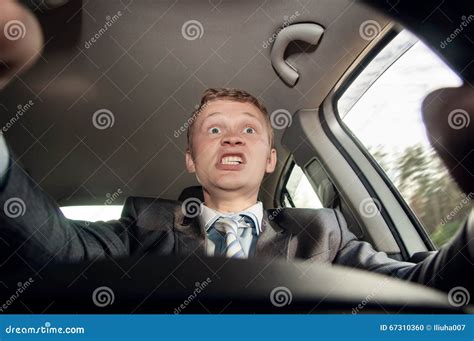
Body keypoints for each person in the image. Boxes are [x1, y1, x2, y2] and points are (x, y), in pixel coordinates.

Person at [0, 1, 472, 297]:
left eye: (249, 131)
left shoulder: (325, 232)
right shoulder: (140, 227)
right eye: (212, 130)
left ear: (270, 159)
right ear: (191, 160)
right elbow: (58, 254)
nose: (231, 137)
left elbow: (424, 293)